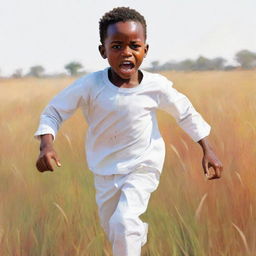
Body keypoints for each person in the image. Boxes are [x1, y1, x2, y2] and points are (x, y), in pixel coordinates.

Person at [34, 7, 223, 256]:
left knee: (123, 223)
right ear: (103, 50)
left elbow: (185, 113)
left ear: (145, 49)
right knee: (115, 229)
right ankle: (136, 232)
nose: (126, 53)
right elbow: (53, 112)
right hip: (104, 170)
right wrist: (46, 145)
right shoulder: (90, 85)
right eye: (116, 46)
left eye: (134, 45)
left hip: (142, 166)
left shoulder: (156, 86)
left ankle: (131, 230)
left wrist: (207, 149)